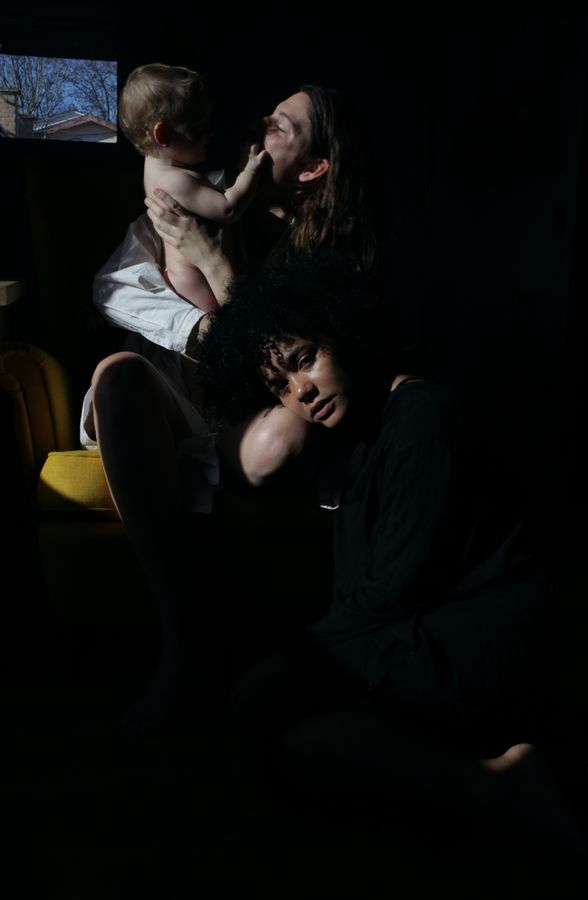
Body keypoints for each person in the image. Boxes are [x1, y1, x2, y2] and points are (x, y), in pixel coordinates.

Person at [195, 253, 588, 856]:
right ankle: (493, 781)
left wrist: (289, 666)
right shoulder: (361, 436)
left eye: (305, 359)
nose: (301, 391)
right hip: (421, 636)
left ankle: (507, 784)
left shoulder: (422, 418)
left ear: (344, 331)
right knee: (297, 743)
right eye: (280, 386)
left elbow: (391, 594)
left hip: (486, 640)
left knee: (296, 736)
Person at [84, 84, 378, 736]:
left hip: (246, 430)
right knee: (117, 376)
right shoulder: (197, 192)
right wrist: (201, 328)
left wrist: (217, 265)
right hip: (173, 407)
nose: (257, 124)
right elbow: (111, 285)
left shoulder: (329, 252)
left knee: (288, 440)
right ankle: (180, 636)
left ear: (313, 168)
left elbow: (288, 365)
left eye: (280, 126)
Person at [118, 63, 267, 311]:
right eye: (199, 127)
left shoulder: (155, 169)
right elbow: (228, 208)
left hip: (188, 279)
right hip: (197, 286)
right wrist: (250, 170)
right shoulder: (175, 180)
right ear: (162, 135)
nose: (210, 134)